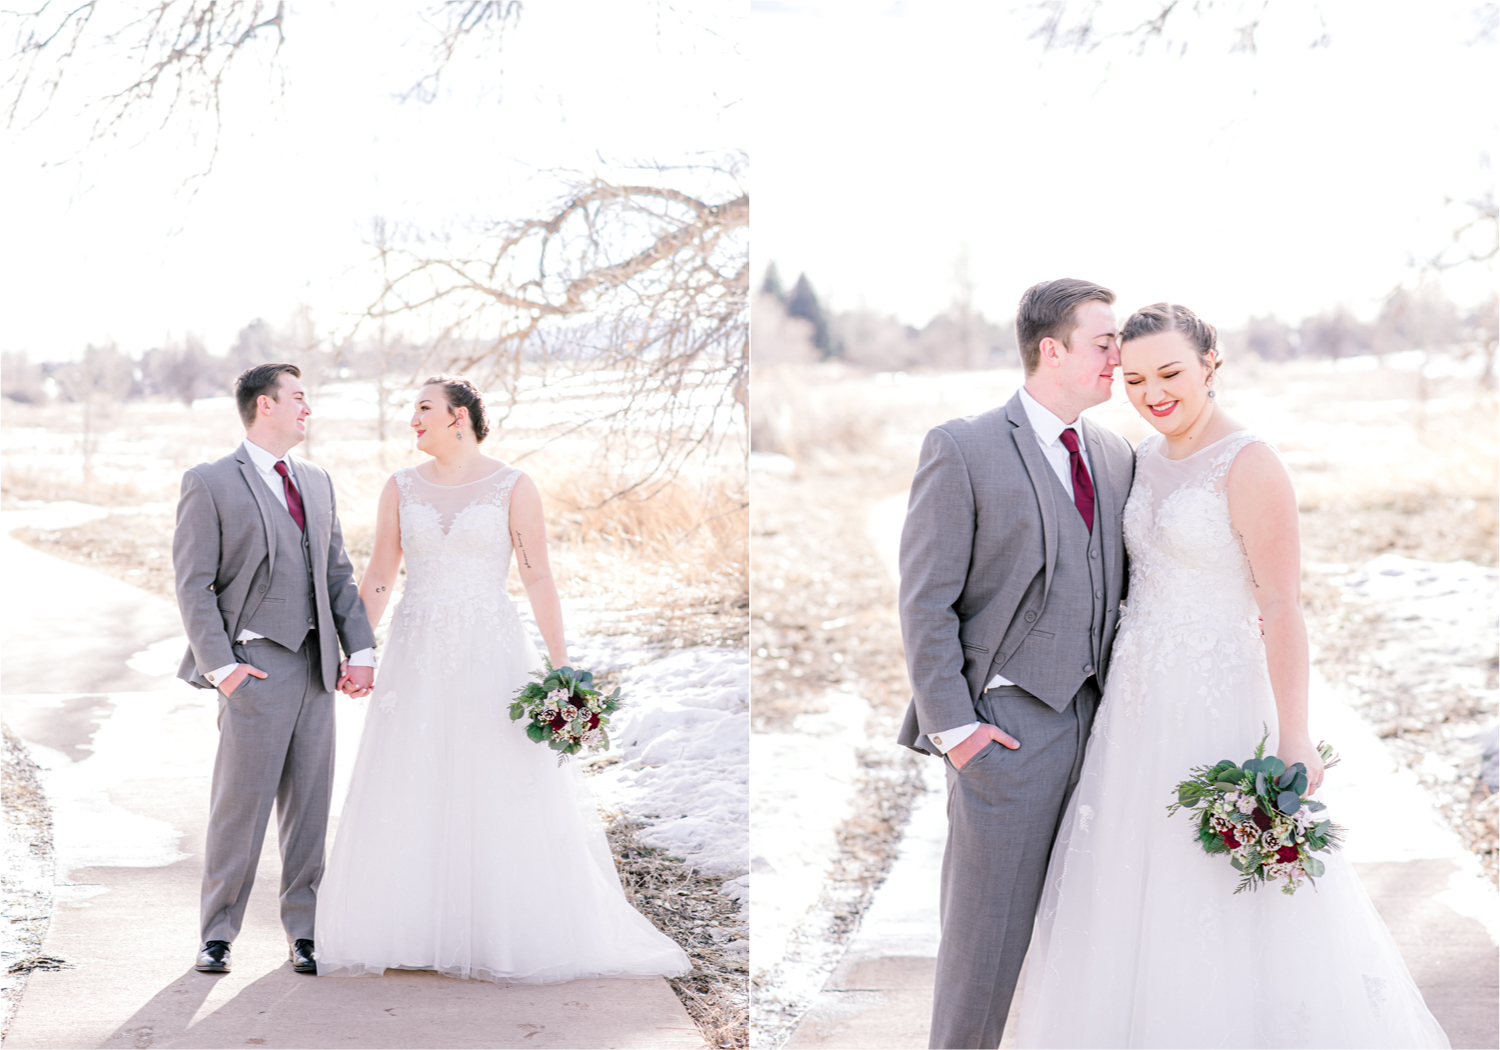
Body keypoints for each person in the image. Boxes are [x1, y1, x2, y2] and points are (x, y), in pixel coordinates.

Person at [1015, 303, 1449, 1048]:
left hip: (1218, 701)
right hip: (1135, 710)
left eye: (1170, 373)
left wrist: (1295, 734)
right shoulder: (1141, 457)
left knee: (1221, 883)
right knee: (1132, 881)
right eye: (1135, 379)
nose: (1153, 393)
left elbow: (1281, 605)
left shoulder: (1250, 462)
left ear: (1210, 363)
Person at [313, 374, 690, 983]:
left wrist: (562, 667)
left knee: (494, 773)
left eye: (424, 408)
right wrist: (357, 649)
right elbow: (380, 572)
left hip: (490, 649)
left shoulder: (513, 485)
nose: (413, 420)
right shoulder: (400, 486)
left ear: (458, 416)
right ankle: (411, 928)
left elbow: (537, 575)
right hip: (416, 649)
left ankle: (498, 928)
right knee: (412, 771)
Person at [896, 278, 1136, 1049]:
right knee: (986, 945)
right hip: (1005, 732)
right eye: (1105, 343)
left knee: (1093, 933)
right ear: (1052, 350)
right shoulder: (963, 447)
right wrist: (956, 731)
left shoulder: (1115, 454)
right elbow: (925, 600)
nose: (1118, 358)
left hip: (1105, 728)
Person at [174, 363, 377, 976]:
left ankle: (305, 930)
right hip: (253, 666)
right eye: (298, 398)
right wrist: (224, 670)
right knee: (240, 808)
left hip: (317, 667)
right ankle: (217, 933)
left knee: (311, 807)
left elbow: (337, 573)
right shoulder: (209, 481)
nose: (307, 409)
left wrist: (360, 651)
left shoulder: (315, 480)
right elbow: (193, 584)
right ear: (266, 405)